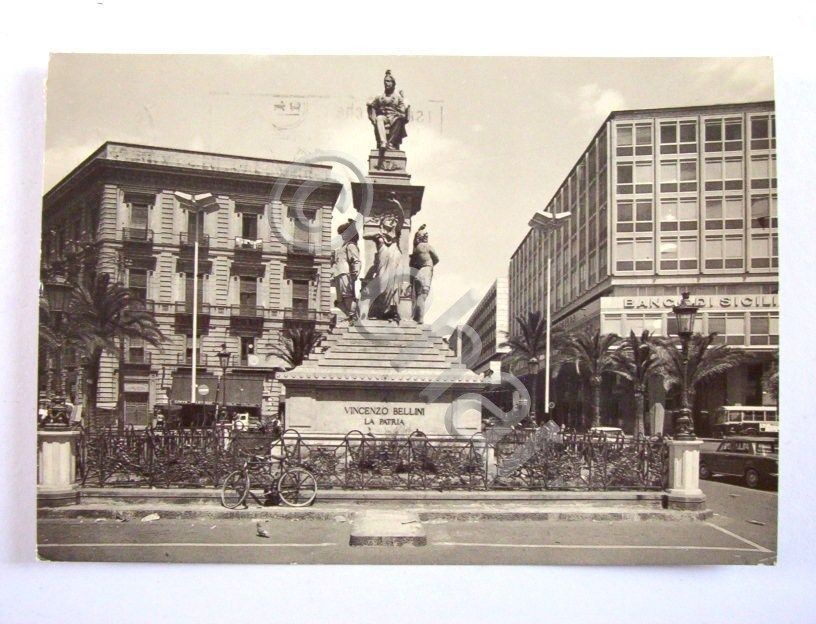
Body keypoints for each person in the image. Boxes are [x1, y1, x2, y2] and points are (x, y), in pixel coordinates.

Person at [362, 196, 404, 321]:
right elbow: (365, 235)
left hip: (394, 258)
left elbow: (401, 217)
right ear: (382, 222)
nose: (392, 221)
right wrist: (376, 234)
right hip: (383, 261)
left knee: (393, 284)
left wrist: (397, 204)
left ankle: (389, 311)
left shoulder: (396, 233)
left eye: (394, 219)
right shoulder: (379, 235)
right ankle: (380, 311)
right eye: (389, 219)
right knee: (382, 283)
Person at [367, 70, 410, 151]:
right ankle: (383, 142)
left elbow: (403, 111)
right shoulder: (379, 97)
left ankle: (391, 143)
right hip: (385, 118)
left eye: (388, 81)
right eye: (385, 81)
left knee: (399, 120)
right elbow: (372, 106)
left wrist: (405, 105)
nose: (386, 83)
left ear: (393, 83)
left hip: (395, 118)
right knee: (379, 118)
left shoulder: (398, 97)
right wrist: (373, 118)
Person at [331, 219, 361, 323]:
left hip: (345, 274)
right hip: (338, 274)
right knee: (339, 301)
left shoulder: (351, 245)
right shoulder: (342, 246)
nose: (341, 236)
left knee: (347, 296)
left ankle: (355, 317)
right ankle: (351, 316)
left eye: (342, 233)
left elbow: (356, 260)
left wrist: (355, 273)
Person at [408, 224, 439, 324]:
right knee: (423, 296)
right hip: (426, 272)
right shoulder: (427, 246)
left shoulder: (417, 248)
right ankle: (419, 319)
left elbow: (413, 262)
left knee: (418, 296)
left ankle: (416, 318)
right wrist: (429, 263)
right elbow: (437, 259)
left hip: (418, 273)